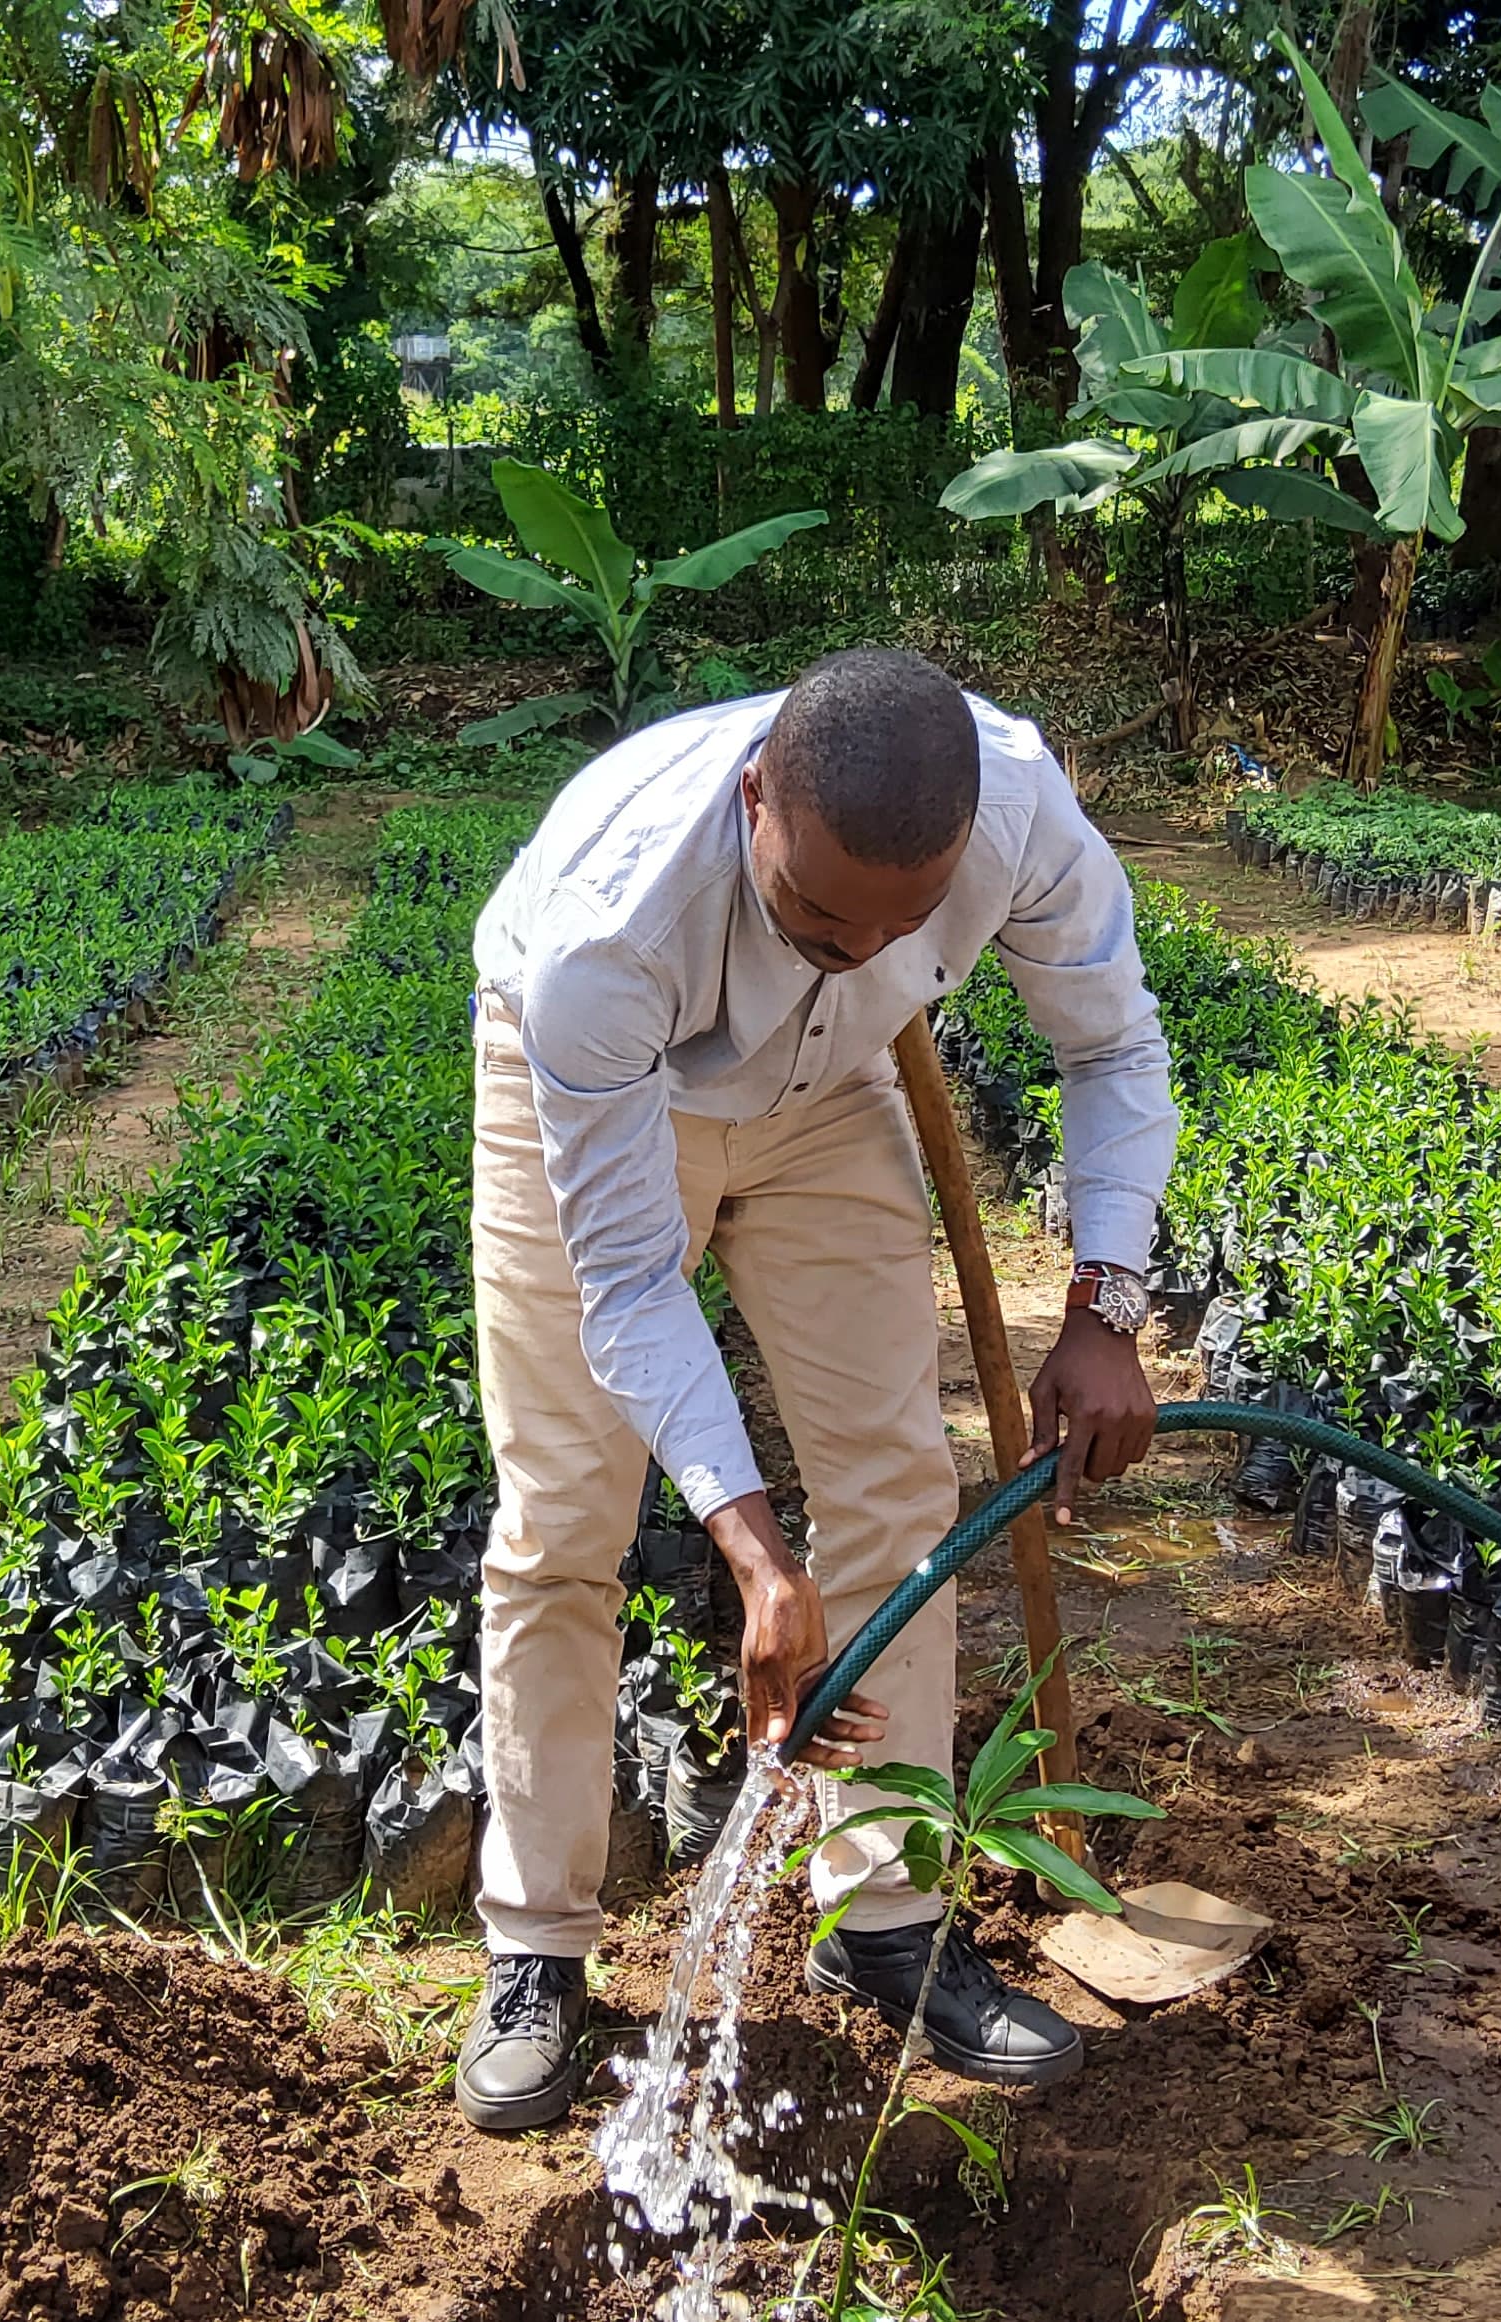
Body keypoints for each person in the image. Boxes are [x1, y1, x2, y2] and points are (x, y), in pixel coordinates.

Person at [450, 648, 1177, 2133]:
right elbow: (635, 1287)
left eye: (903, 921)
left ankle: (888, 1918)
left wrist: (1106, 1303)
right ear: (755, 798)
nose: (855, 945)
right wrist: (751, 1548)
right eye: (816, 912)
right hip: (598, 1094)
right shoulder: (609, 931)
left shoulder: (1024, 810)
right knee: (567, 1521)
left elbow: (1110, 1042)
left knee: (902, 1489)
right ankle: (538, 1948)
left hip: (834, 1096)